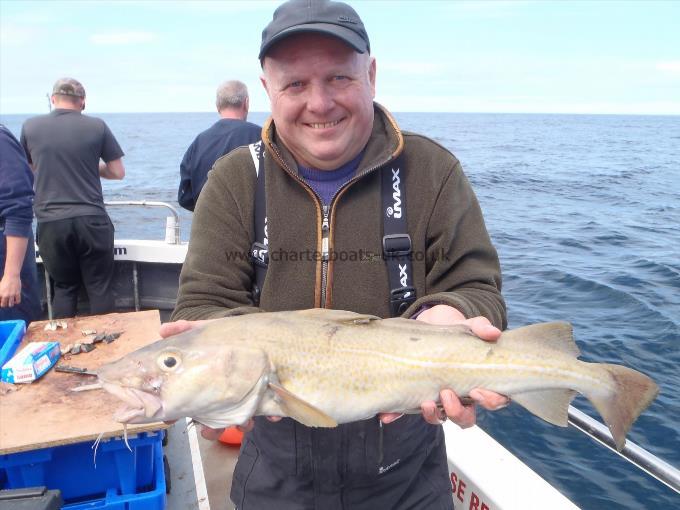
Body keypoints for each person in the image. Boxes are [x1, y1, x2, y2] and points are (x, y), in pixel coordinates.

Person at [163, 1, 508, 508]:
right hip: (275, 479)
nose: (319, 103)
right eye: (295, 85)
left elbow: (478, 287)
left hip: (406, 478)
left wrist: (456, 315)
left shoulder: (433, 170)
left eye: (339, 78)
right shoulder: (235, 179)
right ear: (267, 91)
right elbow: (202, 304)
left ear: (371, 74)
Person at [20, 78, 125, 319]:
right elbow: (118, 172)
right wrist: (91, 166)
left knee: (64, 288)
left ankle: (64, 348)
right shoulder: (97, 126)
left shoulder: (30, 126)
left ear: (53, 99)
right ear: (83, 102)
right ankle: (108, 347)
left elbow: (26, 171)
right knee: (99, 288)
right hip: (92, 220)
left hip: (51, 223)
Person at [178, 80, 261, 211]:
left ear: (218, 106)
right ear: (246, 103)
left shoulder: (199, 142)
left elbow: (185, 197)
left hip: (207, 226)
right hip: (251, 227)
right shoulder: (262, 136)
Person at [0, 125, 42, 324]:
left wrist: (11, 275)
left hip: (5, 253)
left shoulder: (2, 141)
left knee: (17, 331)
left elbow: (19, 207)